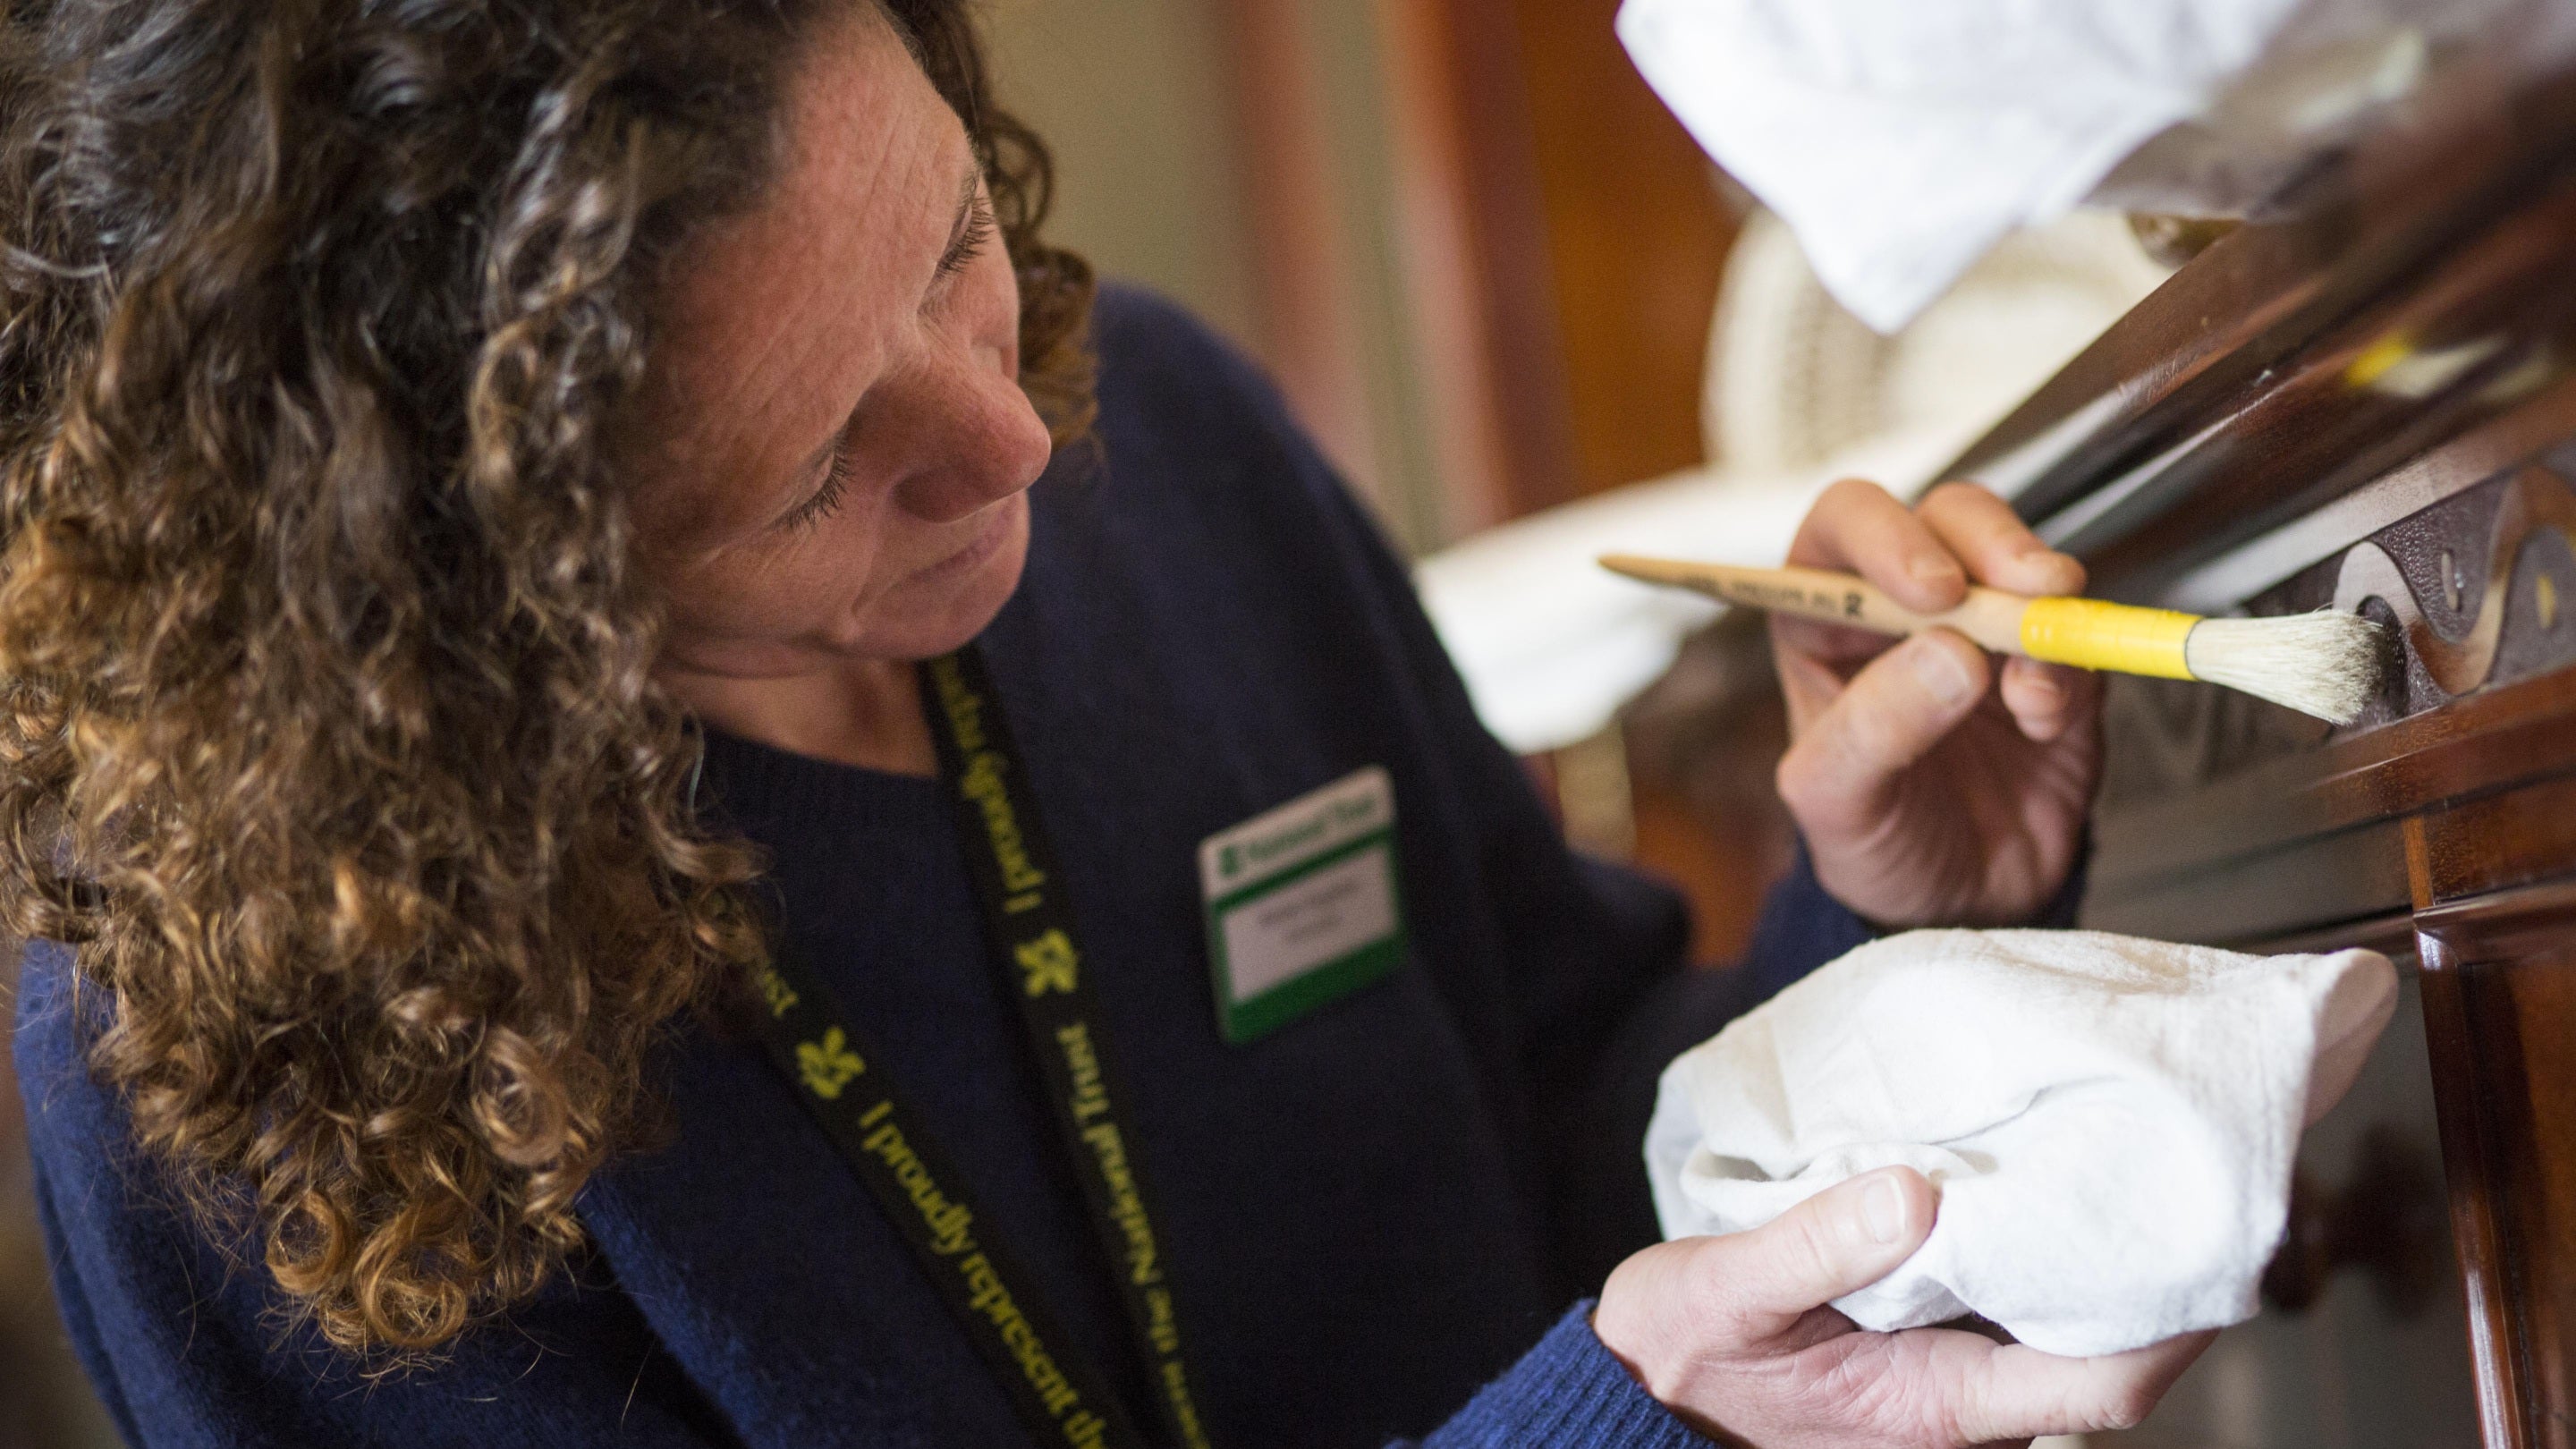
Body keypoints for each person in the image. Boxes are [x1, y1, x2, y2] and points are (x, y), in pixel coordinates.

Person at [0, 0, 2207, 1445]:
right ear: (460, 603)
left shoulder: (1170, 434)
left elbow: (1598, 1154)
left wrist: (1886, 916)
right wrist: (1618, 1424)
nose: (1019, 443)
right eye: (811, 470)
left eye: (952, 235)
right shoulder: (235, 1064)